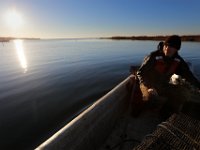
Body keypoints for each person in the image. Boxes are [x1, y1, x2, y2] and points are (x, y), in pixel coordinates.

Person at [136, 35, 200, 117]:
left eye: (172, 47)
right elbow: (140, 73)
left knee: (183, 93)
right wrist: (149, 87)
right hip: (147, 84)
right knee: (151, 98)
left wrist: (199, 86)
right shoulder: (153, 56)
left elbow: (189, 76)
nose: (167, 48)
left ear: (176, 49)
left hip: (163, 85)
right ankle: (150, 105)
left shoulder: (178, 61)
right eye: (166, 45)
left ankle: (165, 111)